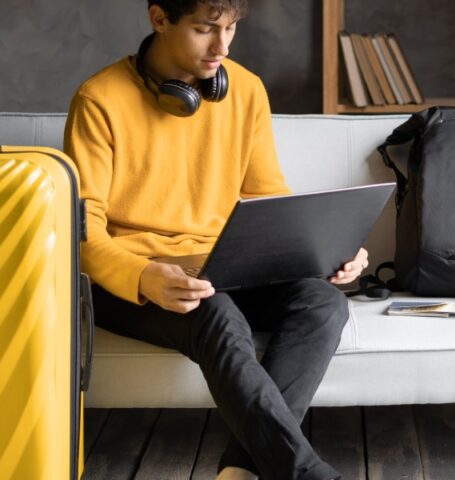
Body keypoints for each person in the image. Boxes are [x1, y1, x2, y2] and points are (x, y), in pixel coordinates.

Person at [64, 1, 368, 479]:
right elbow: (82, 237)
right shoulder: (99, 99)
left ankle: (241, 472)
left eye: (230, 29)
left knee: (323, 302)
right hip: (130, 279)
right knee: (216, 312)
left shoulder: (244, 90)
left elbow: (268, 199)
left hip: (225, 265)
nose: (222, 47)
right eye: (206, 29)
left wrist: (326, 248)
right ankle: (307, 474)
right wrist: (144, 275)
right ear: (159, 18)